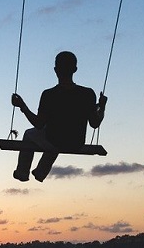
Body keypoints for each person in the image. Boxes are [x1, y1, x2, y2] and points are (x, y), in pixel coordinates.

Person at [10, 51, 107, 182]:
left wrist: (23, 106)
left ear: (55, 70)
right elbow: (95, 123)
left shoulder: (49, 95)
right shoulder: (87, 94)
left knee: (32, 134)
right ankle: (40, 172)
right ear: (75, 69)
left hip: (55, 140)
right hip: (76, 142)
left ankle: (22, 172)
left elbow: (38, 124)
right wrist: (102, 106)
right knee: (56, 135)